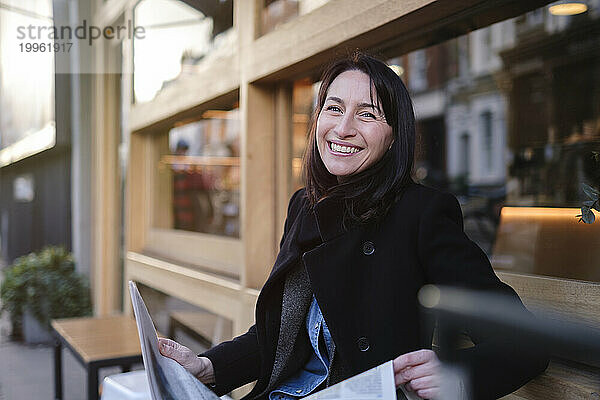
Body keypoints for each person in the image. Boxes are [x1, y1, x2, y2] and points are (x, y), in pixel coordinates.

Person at [158, 52, 548, 400]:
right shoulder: (304, 207)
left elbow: (523, 343)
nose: (343, 128)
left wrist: (457, 378)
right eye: (333, 108)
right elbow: (280, 337)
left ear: (395, 136)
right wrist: (208, 368)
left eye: (367, 114)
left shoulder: (422, 214)